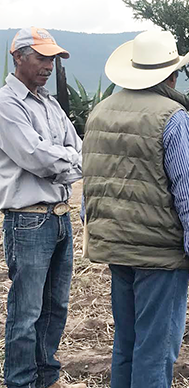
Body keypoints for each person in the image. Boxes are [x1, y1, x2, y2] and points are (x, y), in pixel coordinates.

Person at [82, 30, 189, 388]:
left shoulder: (99, 113)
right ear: (171, 74)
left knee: (126, 344)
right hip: (159, 254)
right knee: (155, 351)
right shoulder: (173, 118)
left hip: (116, 247)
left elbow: (90, 182)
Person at [0, 27, 86, 388]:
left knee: (55, 308)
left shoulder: (48, 103)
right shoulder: (7, 104)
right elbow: (37, 158)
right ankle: (21, 381)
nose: (49, 65)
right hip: (28, 219)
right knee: (27, 311)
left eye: (52, 58)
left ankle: (46, 376)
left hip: (59, 217)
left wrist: (66, 160)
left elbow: (79, 150)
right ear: (18, 56)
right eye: (41, 57)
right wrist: (69, 161)